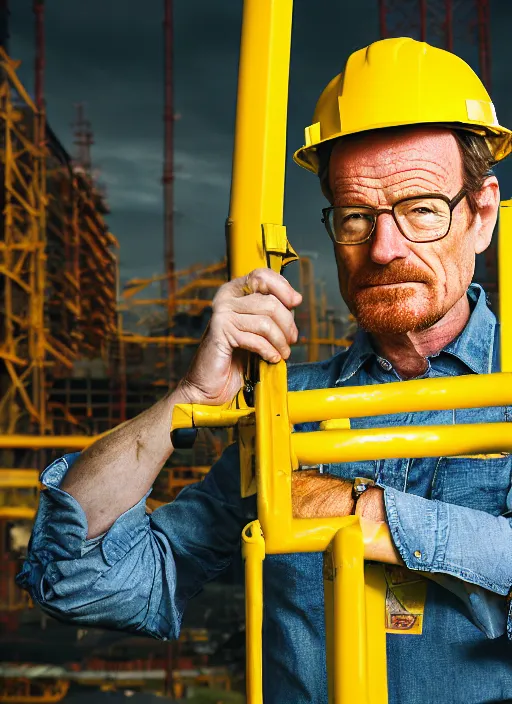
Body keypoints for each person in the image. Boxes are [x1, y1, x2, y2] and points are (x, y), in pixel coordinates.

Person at [17, 37, 512, 703]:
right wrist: (191, 398)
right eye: (357, 216)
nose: (385, 248)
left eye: (421, 209)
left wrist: (361, 514)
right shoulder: (282, 408)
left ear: (481, 214)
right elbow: (76, 580)